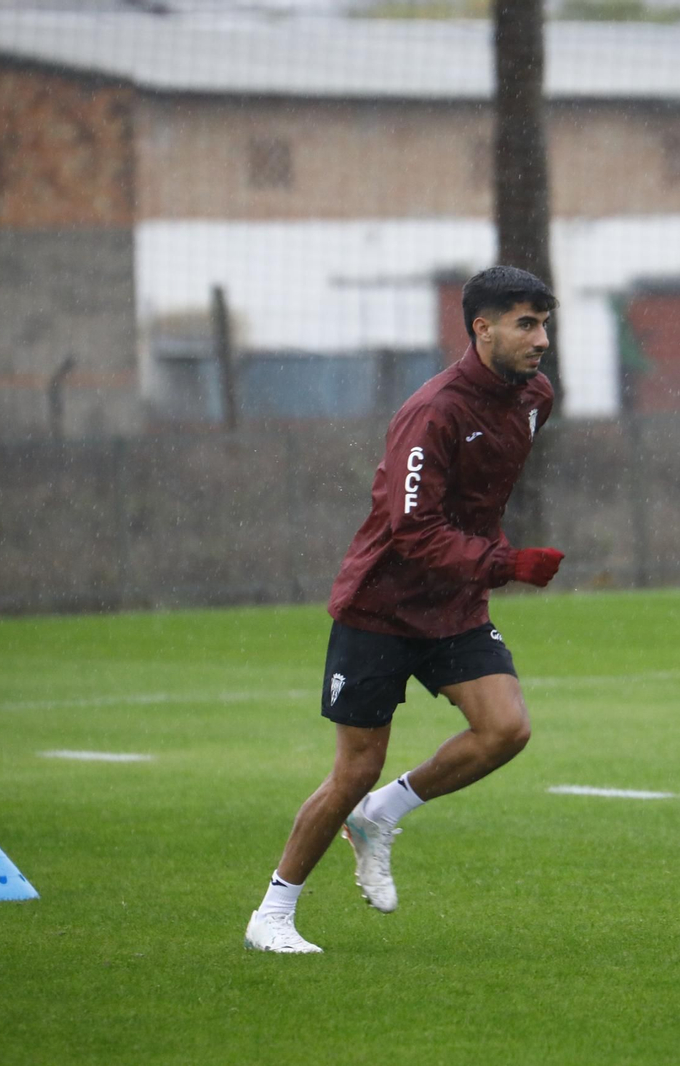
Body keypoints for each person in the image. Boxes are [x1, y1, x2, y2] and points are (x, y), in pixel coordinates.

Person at [245, 265, 566, 954]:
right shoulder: (433, 412)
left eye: (544, 323)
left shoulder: (535, 398)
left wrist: (488, 562)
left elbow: (477, 499)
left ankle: (381, 814)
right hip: (381, 609)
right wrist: (506, 564)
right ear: (482, 329)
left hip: (454, 605)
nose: (542, 339)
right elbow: (414, 531)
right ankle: (272, 914)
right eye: (526, 324)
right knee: (355, 768)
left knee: (505, 729)